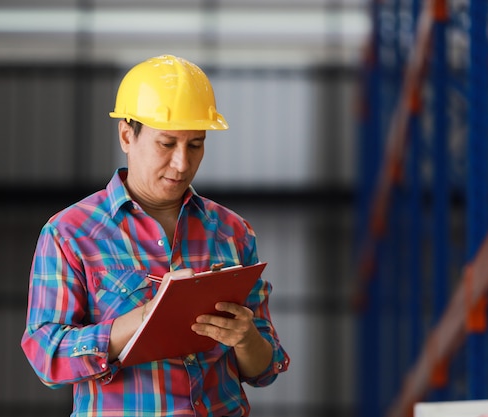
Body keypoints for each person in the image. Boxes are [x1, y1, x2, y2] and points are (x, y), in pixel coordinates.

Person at [21, 54, 289, 416]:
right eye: (167, 144)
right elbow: (46, 357)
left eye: (195, 144)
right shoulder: (70, 234)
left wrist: (246, 338)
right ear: (127, 135)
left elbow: (263, 370)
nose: (182, 163)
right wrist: (146, 316)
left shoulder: (232, 232)